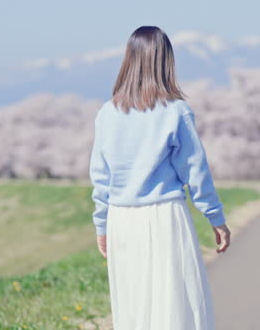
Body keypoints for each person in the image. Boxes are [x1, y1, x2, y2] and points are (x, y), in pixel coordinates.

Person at [89, 25, 230, 330]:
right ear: (166, 61)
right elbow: (196, 171)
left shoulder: (107, 113)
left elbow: (101, 178)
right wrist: (215, 218)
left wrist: (101, 224)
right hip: (165, 216)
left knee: (132, 305)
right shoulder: (176, 111)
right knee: (174, 305)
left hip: (121, 218)